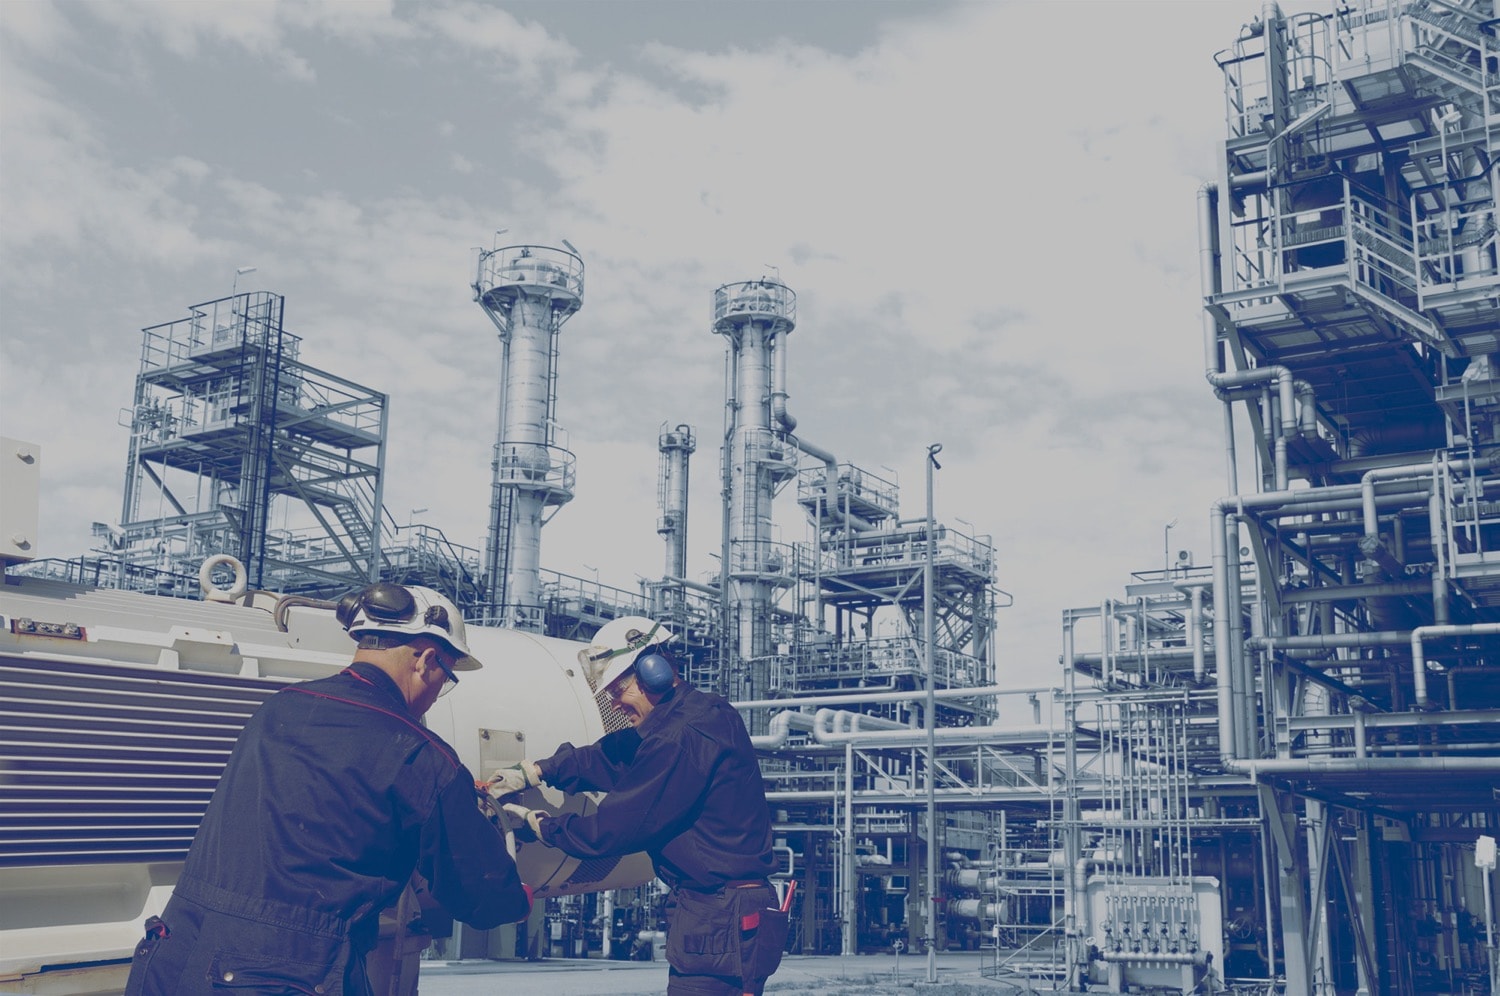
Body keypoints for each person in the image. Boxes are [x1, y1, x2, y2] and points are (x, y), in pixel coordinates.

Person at [126, 582, 533, 996]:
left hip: (172, 957)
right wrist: (520, 898)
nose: (434, 694)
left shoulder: (277, 708)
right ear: (427, 659)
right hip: (285, 974)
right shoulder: (420, 755)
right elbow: (477, 895)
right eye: (445, 678)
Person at [489, 616, 787, 996]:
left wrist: (542, 825)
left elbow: (612, 831)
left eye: (619, 689)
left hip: (718, 916)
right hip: (724, 912)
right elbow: (613, 756)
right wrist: (538, 770)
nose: (614, 703)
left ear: (654, 670)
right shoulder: (699, 716)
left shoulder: (680, 737)